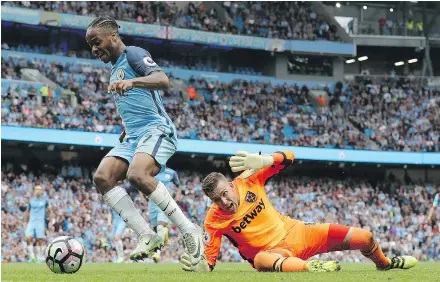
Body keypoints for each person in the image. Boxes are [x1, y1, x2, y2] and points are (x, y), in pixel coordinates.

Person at [85, 16, 204, 267]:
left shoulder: (134, 54)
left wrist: (132, 81)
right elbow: (133, 103)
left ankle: (189, 230)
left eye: (97, 42)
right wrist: (125, 127)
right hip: (133, 135)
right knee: (102, 177)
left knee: (137, 175)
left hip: (157, 129)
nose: (94, 49)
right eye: (90, 46)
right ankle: (146, 235)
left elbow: (162, 80)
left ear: (113, 36)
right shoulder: (114, 66)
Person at [181, 151, 418, 272]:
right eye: (217, 199)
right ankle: (310, 268)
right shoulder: (213, 220)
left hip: (300, 233)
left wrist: (264, 159)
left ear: (230, 185)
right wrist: (200, 266)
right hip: (275, 253)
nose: (224, 201)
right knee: (260, 260)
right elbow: (209, 261)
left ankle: (385, 264)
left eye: (225, 193)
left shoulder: (248, 180)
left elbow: (289, 158)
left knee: (365, 238)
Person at [149, 167, 181, 263]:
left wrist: (178, 196)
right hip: (152, 203)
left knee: (160, 226)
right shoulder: (151, 171)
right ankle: (165, 235)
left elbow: (178, 185)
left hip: (165, 202)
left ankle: (157, 253)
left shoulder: (171, 173)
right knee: (156, 229)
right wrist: (142, 196)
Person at [24, 185, 52, 262]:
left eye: (39, 189)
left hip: (40, 222)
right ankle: (32, 256)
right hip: (31, 222)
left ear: (42, 191)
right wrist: (25, 222)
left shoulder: (45, 201)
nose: (38, 191)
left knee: (40, 240)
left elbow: (50, 211)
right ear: (34, 191)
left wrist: (50, 222)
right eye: (36, 189)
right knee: (28, 238)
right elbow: (27, 211)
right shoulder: (31, 201)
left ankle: (40, 257)